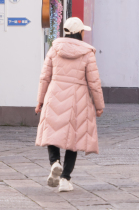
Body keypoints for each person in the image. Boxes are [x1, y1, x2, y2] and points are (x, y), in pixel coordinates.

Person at [35, 17, 104, 192]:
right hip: (78, 97)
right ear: (80, 33)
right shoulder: (87, 53)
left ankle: (54, 162)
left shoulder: (54, 49)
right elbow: (94, 82)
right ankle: (65, 178)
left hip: (54, 91)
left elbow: (44, 77)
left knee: (52, 130)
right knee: (74, 139)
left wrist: (40, 101)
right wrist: (98, 105)